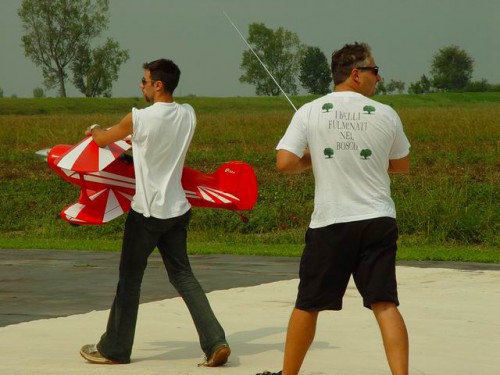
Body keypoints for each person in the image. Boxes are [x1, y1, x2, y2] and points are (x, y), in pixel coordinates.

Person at [257, 42, 410, 375]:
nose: (378, 78)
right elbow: (400, 165)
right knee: (384, 303)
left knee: (308, 304)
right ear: (356, 74)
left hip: (331, 222)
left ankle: (289, 374)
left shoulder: (310, 111)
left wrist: (313, 158)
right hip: (377, 219)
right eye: (374, 71)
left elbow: (285, 163)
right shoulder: (386, 114)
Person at [79, 58, 230, 367]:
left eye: (144, 81)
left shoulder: (138, 118)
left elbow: (102, 139)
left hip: (147, 213)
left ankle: (115, 349)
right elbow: (151, 140)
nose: (141, 85)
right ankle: (216, 342)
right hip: (177, 210)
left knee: (130, 280)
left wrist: (94, 128)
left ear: (158, 85)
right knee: (184, 277)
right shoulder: (189, 114)